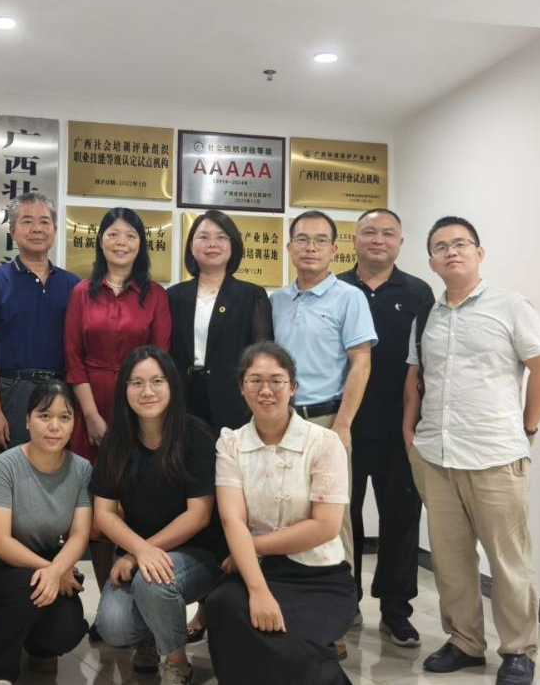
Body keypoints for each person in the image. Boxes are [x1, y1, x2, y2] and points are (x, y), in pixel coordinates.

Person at [404, 216, 540, 685]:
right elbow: (416, 376)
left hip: (495, 454)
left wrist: (528, 427)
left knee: (508, 561)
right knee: (450, 560)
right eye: (441, 247)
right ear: (431, 261)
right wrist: (410, 434)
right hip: (436, 454)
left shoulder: (511, 306)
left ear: (479, 253)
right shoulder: (426, 315)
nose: (451, 252)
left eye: (460, 244)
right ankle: (465, 641)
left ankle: (518, 650)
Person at [206, 342, 356, 685]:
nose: (266, 390)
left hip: (320, 575)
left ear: (293, 387)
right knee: (221, 605)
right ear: (241, 387)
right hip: (260, 571)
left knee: (291, 648)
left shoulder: (324, 443)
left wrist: (251, 547)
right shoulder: (230, 444)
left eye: (276, 380)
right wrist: (258, 591)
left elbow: (325, 527)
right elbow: (232, 520)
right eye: (255, 380)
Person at [270, 209, 376, 657]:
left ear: (335, 249)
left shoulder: (350, 298)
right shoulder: (275, 300)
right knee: (283, 513)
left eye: (319, 240)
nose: (310, 247)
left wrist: (343, 425)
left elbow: (361, 363)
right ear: (289, 247)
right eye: (301, 239)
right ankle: (291, 606)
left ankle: (339, 615)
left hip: (326, 421)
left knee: (332, 522)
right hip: (279, 421)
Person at [91, 346, 225, 685]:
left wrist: (140, 553)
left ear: (172, 385)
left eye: (157, 381)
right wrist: (140, 551)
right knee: (113, 626)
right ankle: (151, 636)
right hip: (142, 552)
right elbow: (104, 514)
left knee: (152, 581)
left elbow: (198, 515)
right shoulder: (115, 441)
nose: (147, 391)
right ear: (124, 389)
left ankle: (176, 662)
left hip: (199, 554)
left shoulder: (196, 435)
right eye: (136, 383)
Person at [335, 208, 434, 648]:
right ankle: (345, 601)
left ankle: (396, 610)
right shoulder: (336, 287)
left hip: (401, 427)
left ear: (400, 242)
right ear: (353, 239)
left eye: (388, 233)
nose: (378, 239)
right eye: (369, 232)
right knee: (342, 519)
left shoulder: (418, 292)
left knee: (401, 518)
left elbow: (427, 361)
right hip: (343, 425)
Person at [0, 381, 92, 685]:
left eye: (64, 417)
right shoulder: (5, 466)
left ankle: (34, 643)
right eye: (44, 415)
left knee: (66, 629)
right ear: (27, 420)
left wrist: (56, 568)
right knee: (28, 586)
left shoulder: (81, 469)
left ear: (74, 424)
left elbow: (79, 535)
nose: (54, 426)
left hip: (50, 559)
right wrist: (53, 571)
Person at [0, 192, 80, 471]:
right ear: (12, 232)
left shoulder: (73, 285)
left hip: (60, 391)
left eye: (44, 222)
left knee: (57, 475)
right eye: (27, 221)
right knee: (8, 474)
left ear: (55, 229)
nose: (37, 229)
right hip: (11, 392)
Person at [64, 206, 172, 463]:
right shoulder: (81, 292)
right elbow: (73, 359)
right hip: (89, 400)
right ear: (101, 241)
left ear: (140, 244)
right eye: (113, 234)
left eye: (130, 235)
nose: (121, 242)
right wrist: (91, 416)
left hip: (140, 400)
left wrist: (142, 412)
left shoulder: (156, 295)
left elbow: (161, 359)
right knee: (87, 475)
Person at [166, 209, 273, 433]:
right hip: (182, 398)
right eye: (203, 237)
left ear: (233, 245)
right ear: (191, 246)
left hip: (233, 399)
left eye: (221, 237)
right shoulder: (173, 296)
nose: (212, 244)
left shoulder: (251, 295)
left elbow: (261, 354)